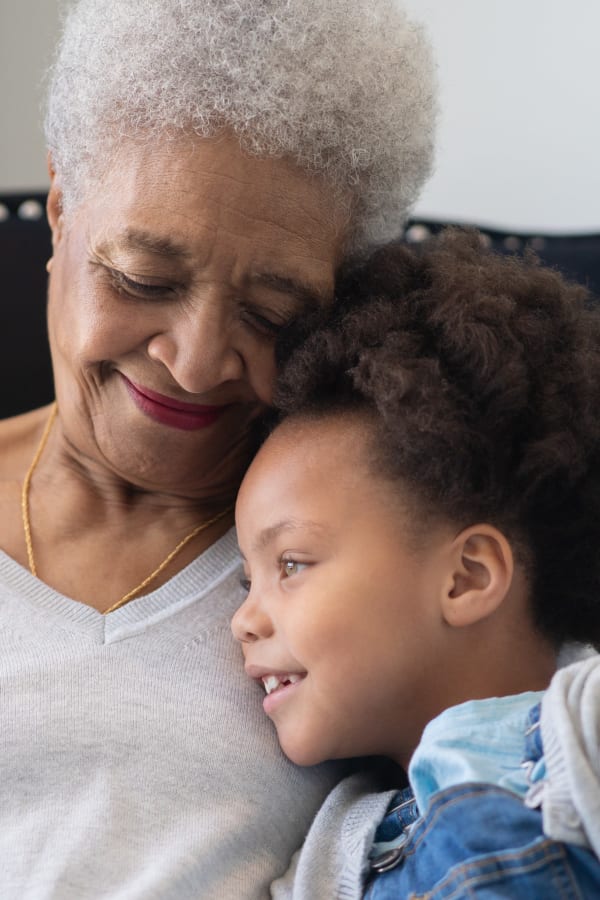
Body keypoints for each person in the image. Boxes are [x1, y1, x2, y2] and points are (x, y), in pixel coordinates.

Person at [0, 1, 436, 897]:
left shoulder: (376, 569)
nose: (195, 363)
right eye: (143, 278)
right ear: (58, 213)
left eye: (272, 314)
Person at [232, 229, 600, 898]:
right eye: (244, 579)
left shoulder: (582, 734)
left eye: (290, 563)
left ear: (468, 577)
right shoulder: (343, 842)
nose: (242, 620)